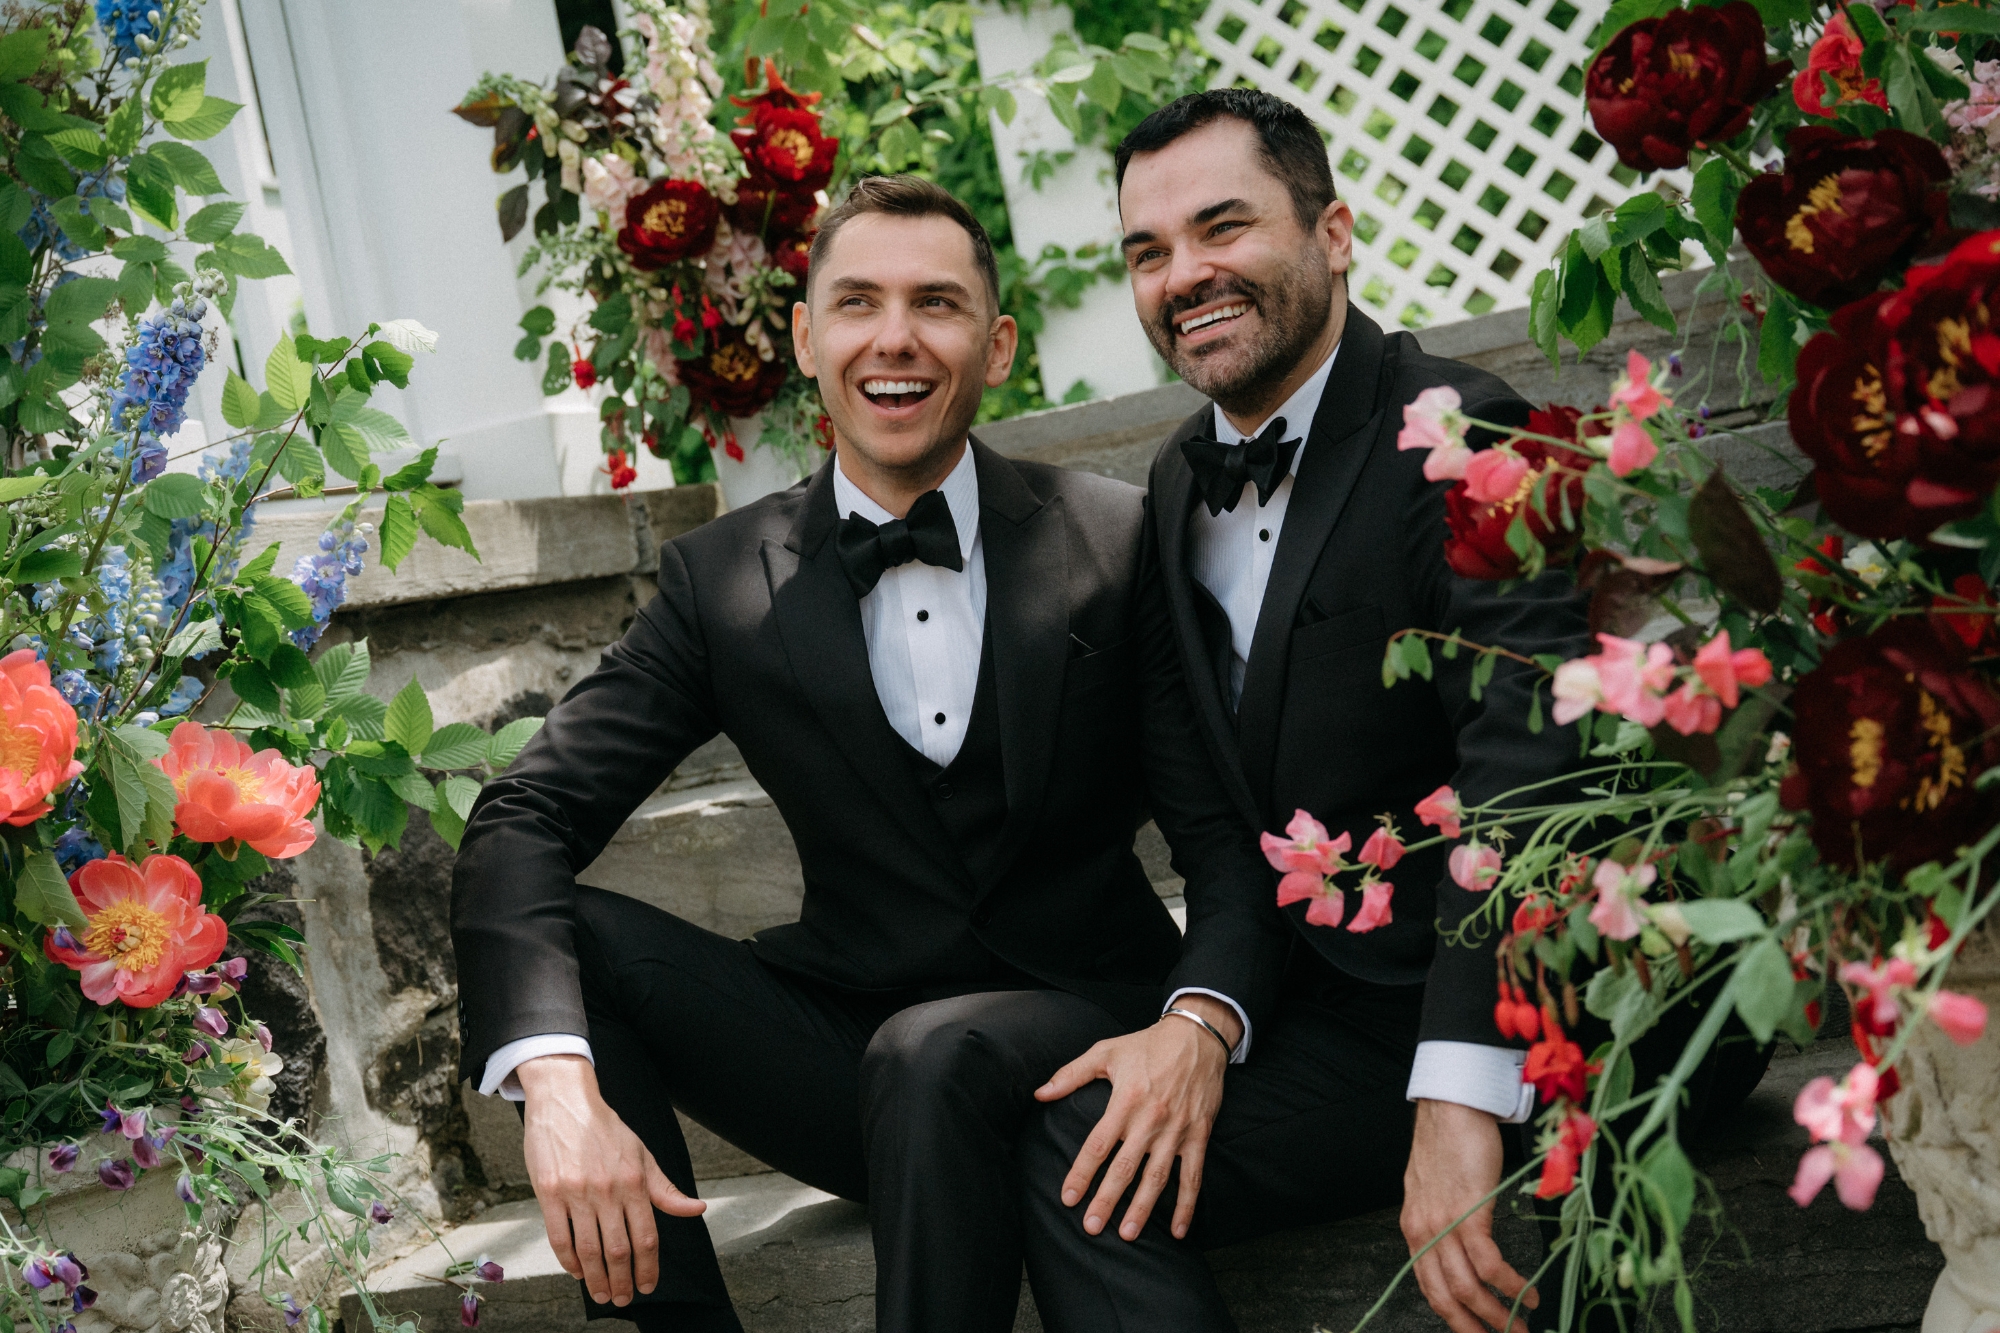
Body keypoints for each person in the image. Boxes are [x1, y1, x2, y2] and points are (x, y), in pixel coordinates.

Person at [449, 174, 1289, 1333]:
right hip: (849, 1069)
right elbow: (524, 816)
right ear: (805, 337)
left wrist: (1197, 1021)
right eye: (857, 302)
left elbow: (1223, 836)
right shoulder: (718, 580)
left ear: (996, 346)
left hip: (1083, 1032)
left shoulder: (1115, 536)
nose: (894, 338)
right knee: (578, 946)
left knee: (934, 1048)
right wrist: (555, 1086)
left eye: (935, 303)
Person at [1015, 89, 1598, 1333]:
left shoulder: (1462, 427)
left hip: (1538, 999)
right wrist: (1200, 1020)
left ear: (1331, 234)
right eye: (1147, 251)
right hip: (1334, 1005)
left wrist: (1461, 1089)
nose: (1183, 274)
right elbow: (1219, 829)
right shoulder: (1173, 485)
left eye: (1221, 226)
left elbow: (1524, 768)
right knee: (1087, 1148)